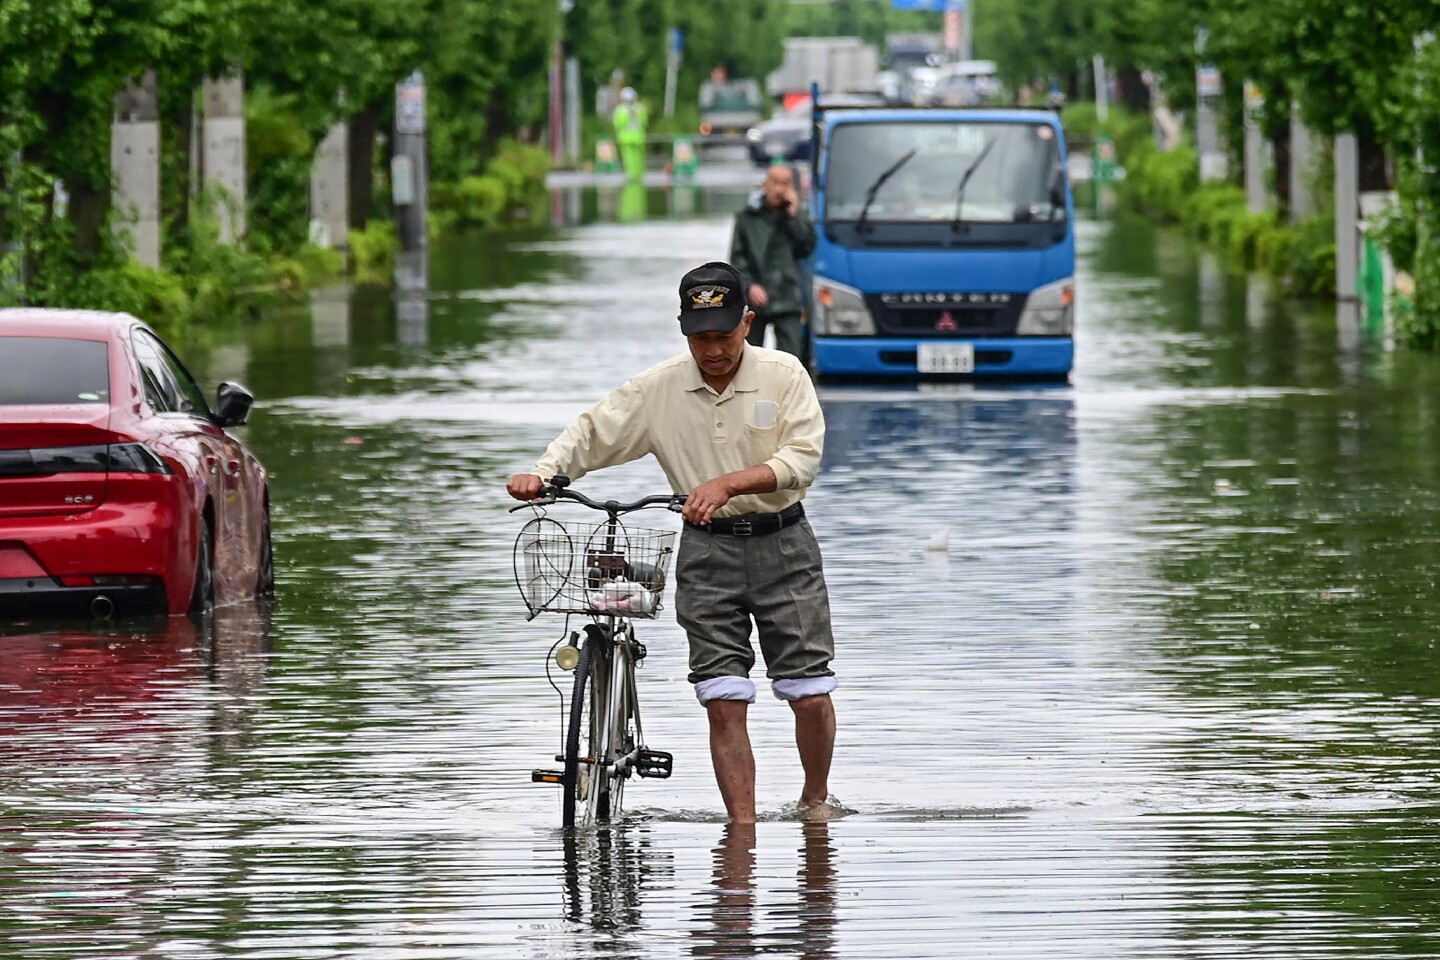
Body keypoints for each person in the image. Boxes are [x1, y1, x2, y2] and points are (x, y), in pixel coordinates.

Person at [506, 261, 838, 824]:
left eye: (724, 335)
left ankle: (814, 801)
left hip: (784, 545)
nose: (713, 350)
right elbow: (593, 432)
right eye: (700, 337)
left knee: (808, 693)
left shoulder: (783, 374)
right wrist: (542, 473)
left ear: (747, 324)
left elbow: (802, 458)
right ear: (684, 332)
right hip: (707, 553)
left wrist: (727, 483)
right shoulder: (659, 388)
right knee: (723, 700)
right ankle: (742, 833)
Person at [729, 163, 816, 360]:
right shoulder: (747, 217)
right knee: (747, 357)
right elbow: (737, 258)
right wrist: (750, 285)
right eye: (775, 182)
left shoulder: (796, 216)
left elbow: (807, 248)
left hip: (788, 295)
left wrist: (794, 215)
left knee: (791, 359)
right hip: (754, 297)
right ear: (765, 184)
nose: (779, 189)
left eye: (785, 184)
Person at [612, 86, 648, 183]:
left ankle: (633, 175)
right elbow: (644, 122)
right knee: (635, 157)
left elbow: (617, 124)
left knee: (631, 157)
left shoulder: (620, 110)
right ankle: (636, 175)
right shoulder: (640, 108)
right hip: (636, 136)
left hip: (628, 137)